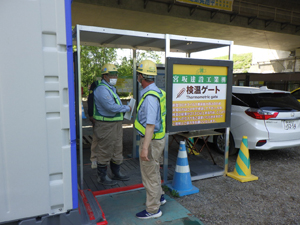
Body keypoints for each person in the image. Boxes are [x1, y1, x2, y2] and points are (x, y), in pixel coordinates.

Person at [134, 60, 167, 219]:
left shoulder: (150, 97)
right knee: (153, 168)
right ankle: (160, 196)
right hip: (157, 139)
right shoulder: (158, 92)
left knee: (149, 174)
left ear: (141, 76)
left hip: (151, 141)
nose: (138, 78)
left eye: (138, 75)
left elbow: (150, 125)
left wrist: (144, 148)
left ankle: (153, 209)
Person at [93, 63, 132, 185]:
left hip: (115, 125)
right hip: (105, 126)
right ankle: (102, 177)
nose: (115, 77)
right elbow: (110, 107)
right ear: (105, 76)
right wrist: (127, 108)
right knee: (105, 150)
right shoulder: (101, 89)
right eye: (112, 74)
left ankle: (116, 174)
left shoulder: (110, 88)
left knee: (116, 149)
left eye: (116, 74)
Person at [87, 77, 101, 169]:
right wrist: (91, 116)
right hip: (98, 119)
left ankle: (96, 159)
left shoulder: (93, 93)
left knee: (97, 139)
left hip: (99, 119)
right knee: (96, 139)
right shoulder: (97, 92)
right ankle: (94, 159)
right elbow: (90, 106)